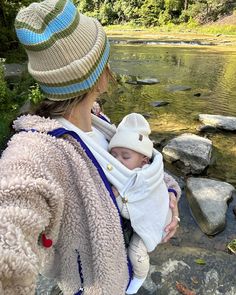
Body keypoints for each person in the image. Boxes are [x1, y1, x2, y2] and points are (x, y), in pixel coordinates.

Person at [0, 0, 180, 294]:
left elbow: (138, 168)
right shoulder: (39, 150)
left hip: (125, 276)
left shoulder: (99, 123)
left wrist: (170, 196)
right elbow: (11, 216)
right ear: (95, 73)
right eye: (105, 56)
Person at [108, 113, 179, 294]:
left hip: (156, 218)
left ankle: (138, 280)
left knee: (137, 252)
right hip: (120, 235)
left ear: (144, 161)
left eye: (125, 157)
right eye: (113, 155)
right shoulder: (116, 170)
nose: (117, 161)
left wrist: (171, 194)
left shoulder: (148, 173)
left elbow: (166, 181)